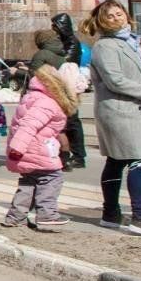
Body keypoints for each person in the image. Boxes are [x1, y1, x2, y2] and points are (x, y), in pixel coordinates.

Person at [83, 0, 141, 238]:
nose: (116, 18)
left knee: (117, 160)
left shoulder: (129, 42)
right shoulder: (105, 46)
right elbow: (115, 80)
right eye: (110, 16)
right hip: (120, 110)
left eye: (119, 13)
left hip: (130, 109)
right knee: (140, 160)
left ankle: (110, 214)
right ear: (101, 21)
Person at [1, 65, 75, 232]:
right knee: (52, 178)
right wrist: (17, 147)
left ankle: (15, 217)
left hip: (27, 150)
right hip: (34, 149)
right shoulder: (46, 103)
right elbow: (29, 125)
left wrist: (16, 149)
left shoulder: (32, 97)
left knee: (29, 182)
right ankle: (47, 214)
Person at [52, 14, 89, 167]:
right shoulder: (60, 41)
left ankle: (79, 156)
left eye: (56, 26)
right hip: (61, 85)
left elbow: (66, 60)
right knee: (64, 122)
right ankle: (64, 153)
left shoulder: (72, 42)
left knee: (72, 121)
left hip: (69, 86)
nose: (53, 29)